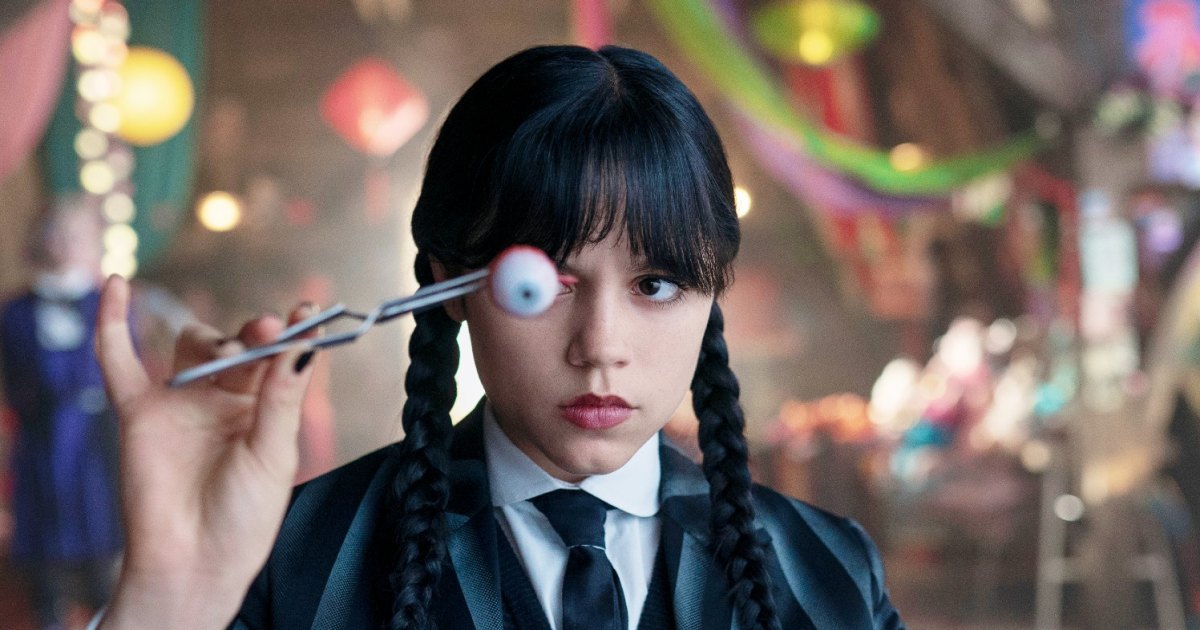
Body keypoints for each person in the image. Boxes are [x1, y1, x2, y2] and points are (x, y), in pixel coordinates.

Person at [93, 45, 904, 629]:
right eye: (545, 284)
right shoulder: (299, 556)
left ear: (710, 293)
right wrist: (166, 598)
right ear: (450, 282)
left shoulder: (829, 572)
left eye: (656, 284)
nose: (601, 346)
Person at [1, 196, 122, 629]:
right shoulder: (15, 311)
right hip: (41, 439)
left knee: (100, 547)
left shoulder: (107, 305)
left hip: (95, 440)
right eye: (59, 231)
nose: (67, 242)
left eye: (77, 234)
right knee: (43, 554)